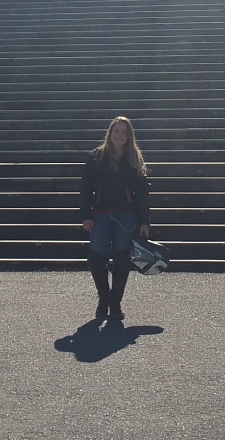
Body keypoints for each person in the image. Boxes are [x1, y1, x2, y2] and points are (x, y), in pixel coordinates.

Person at [79, 115, 150, 321]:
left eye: (124, 132)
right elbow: (85, 188)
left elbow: (142, 191)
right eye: (116, 131)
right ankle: (103, 298)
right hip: (100, 214)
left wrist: (145, 220)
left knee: (122, 259)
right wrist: (85, 215)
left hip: (126, 215)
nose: (120, 135)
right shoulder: (96, 156)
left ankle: (115, 302)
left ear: (129, 136)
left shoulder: (134, 158)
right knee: (96, 258)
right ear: (110, 133)